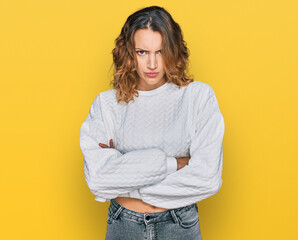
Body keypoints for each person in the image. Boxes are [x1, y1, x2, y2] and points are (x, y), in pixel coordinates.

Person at [79, 5, 225, 240]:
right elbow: (98, 179)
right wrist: (173, 165)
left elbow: (207, 179)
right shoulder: (106, 105)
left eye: (160, 51)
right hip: (124, 224)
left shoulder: (197, 97)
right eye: (142, 52)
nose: (153, 64)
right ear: (129, 53)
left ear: (173, 51)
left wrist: (124, 179)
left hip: (179, 225)